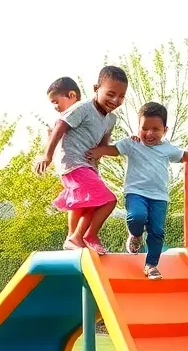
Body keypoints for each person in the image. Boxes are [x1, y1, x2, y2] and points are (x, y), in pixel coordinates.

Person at [87, 101, 188, 279]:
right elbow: (115, 149)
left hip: (159, 197)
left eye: (155, 129)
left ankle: (151, 265)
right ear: (138, 128)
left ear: (165, 130)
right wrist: (99, 151)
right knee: (137, 216)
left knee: (157, 231)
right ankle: (135, 235)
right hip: (136, 192)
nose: (149, 133)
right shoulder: (132, 143)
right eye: (144, 128)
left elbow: (184, 155)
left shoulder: (167, 148)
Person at [35, 66, 127, 254]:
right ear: (96, 89)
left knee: (88, 203)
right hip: (73, 162)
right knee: (108, 200)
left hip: (87, 165)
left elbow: (103, 143)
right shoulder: (83, 108)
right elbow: (60, 126)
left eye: (121, 96)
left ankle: (74, 238)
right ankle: (85, 236)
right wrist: (47, 155)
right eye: (110, 94)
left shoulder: (111, 119)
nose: (115, 100)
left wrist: (101, 152)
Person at [45, 77, 85, 240]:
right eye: (53, 103)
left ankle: (79, 236)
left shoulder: (79, 113)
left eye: (56, 101)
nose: (55, 107)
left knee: (87, 202)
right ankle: (73, 235)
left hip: (82, 165)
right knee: (79, 199)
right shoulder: (66, 118)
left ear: (72, 95)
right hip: (72, 166)